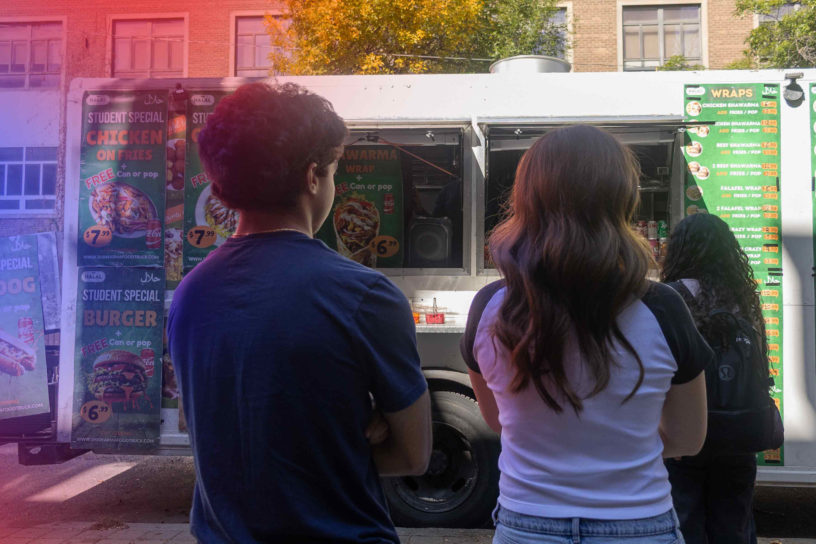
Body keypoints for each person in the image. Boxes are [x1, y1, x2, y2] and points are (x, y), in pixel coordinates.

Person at [167, 82, 432, 543]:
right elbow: (414, 456)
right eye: (333, 171)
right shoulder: (365, 294)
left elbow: (196, 425)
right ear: (313, 177)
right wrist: (356, 428)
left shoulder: (190, 293)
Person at [460, 125, 711, 543]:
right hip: (638, 525)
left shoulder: (488, 307)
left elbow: (499, 420)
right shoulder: (661, 308)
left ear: (525, 198)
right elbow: (689, 438)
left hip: (526, 525)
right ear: (622, 198)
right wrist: (619, 447)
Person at [661, 213, 766, 544]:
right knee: (734, 524)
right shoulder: (743, 297)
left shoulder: (670, 297)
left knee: (685, 524)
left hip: (686, 436)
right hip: (740, 433)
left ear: (679, 251)